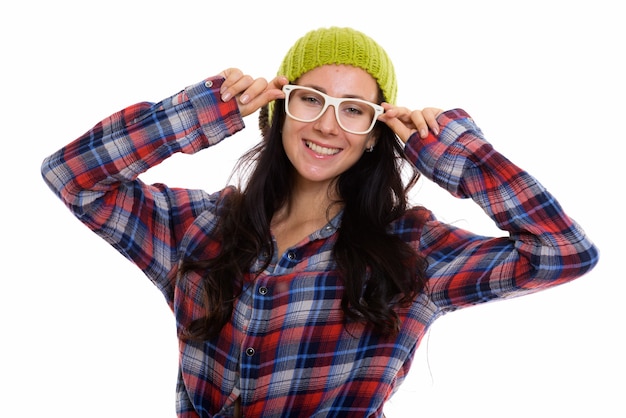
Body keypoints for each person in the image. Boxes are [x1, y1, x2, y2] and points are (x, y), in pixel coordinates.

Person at [41, 26, 599, 417]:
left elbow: (563, 252)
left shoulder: (414, 251)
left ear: (378, 130)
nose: (329, 125)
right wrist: (199, 112)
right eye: (311, 99)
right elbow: (72, 175)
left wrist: (456, 153)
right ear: (280, 107)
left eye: (355, 109)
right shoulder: (197, 227)